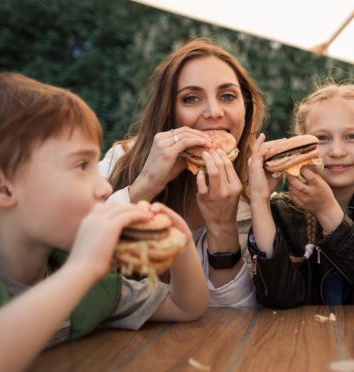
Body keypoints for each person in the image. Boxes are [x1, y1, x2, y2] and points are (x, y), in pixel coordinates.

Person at [0, 73, 209, 371]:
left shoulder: (88, 286)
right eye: (82, 166)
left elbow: (187, 306)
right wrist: (82, 268)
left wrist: (181, 243)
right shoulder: (79, 272)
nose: (106, 188)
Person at [99, 38, 266, 307]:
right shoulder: (121, 160)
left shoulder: (256, 189)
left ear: (245, 106)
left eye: (227, 96)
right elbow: (70, 256)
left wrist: (222, 227)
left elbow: (237, 314)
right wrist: (145, 185)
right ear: (168, 111)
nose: (213, 112)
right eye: (191, 98)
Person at [247, 83, 354, 308]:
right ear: (300, 148)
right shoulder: (280, 210)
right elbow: (277, 298)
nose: (336, 151)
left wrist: (327, 210)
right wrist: (259, 200)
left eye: (352, 136)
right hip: (298, 339)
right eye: (322, 138)